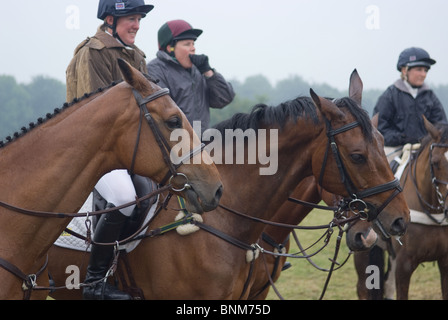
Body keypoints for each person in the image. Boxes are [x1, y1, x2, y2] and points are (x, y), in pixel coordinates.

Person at [65, 0, 154, 300]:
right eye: (131, 17)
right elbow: (96, 114)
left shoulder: (136, 56)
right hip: (94, 152)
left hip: (127, 152)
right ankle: (93, 282)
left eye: (139, 18)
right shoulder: (93, 53)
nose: (137, 25)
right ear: (110, 19)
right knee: (124, 198)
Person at [146, 19, 235, 136]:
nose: (193, 48)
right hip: (173, 145)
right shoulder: (155, 70)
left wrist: (208, 72)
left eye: (193, 43)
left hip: (201, 143)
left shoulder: (198, 70)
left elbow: (224, 99)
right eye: (187, 44)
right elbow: (162, 113)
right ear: (170, 48)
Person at [373, 47, 447, 162]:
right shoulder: (389, 96)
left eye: (426, 70)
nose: (423, 74)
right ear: (404, 70)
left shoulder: (431, 96)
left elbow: (441, 125)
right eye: (419, 69)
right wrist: (403, 138)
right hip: (397, 149)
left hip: (426, 149)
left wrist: (426, 140)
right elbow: (379, 129)